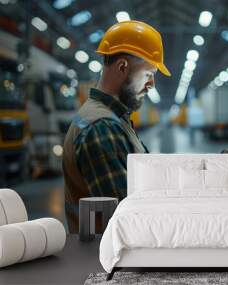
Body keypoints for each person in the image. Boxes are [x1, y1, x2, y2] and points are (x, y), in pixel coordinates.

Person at [62, 20, 171, 233]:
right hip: (109, 261)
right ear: (122, 67)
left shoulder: (112, 119)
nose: (151, 85)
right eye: (149, 74)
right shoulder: (101, 128)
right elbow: (129, 219)